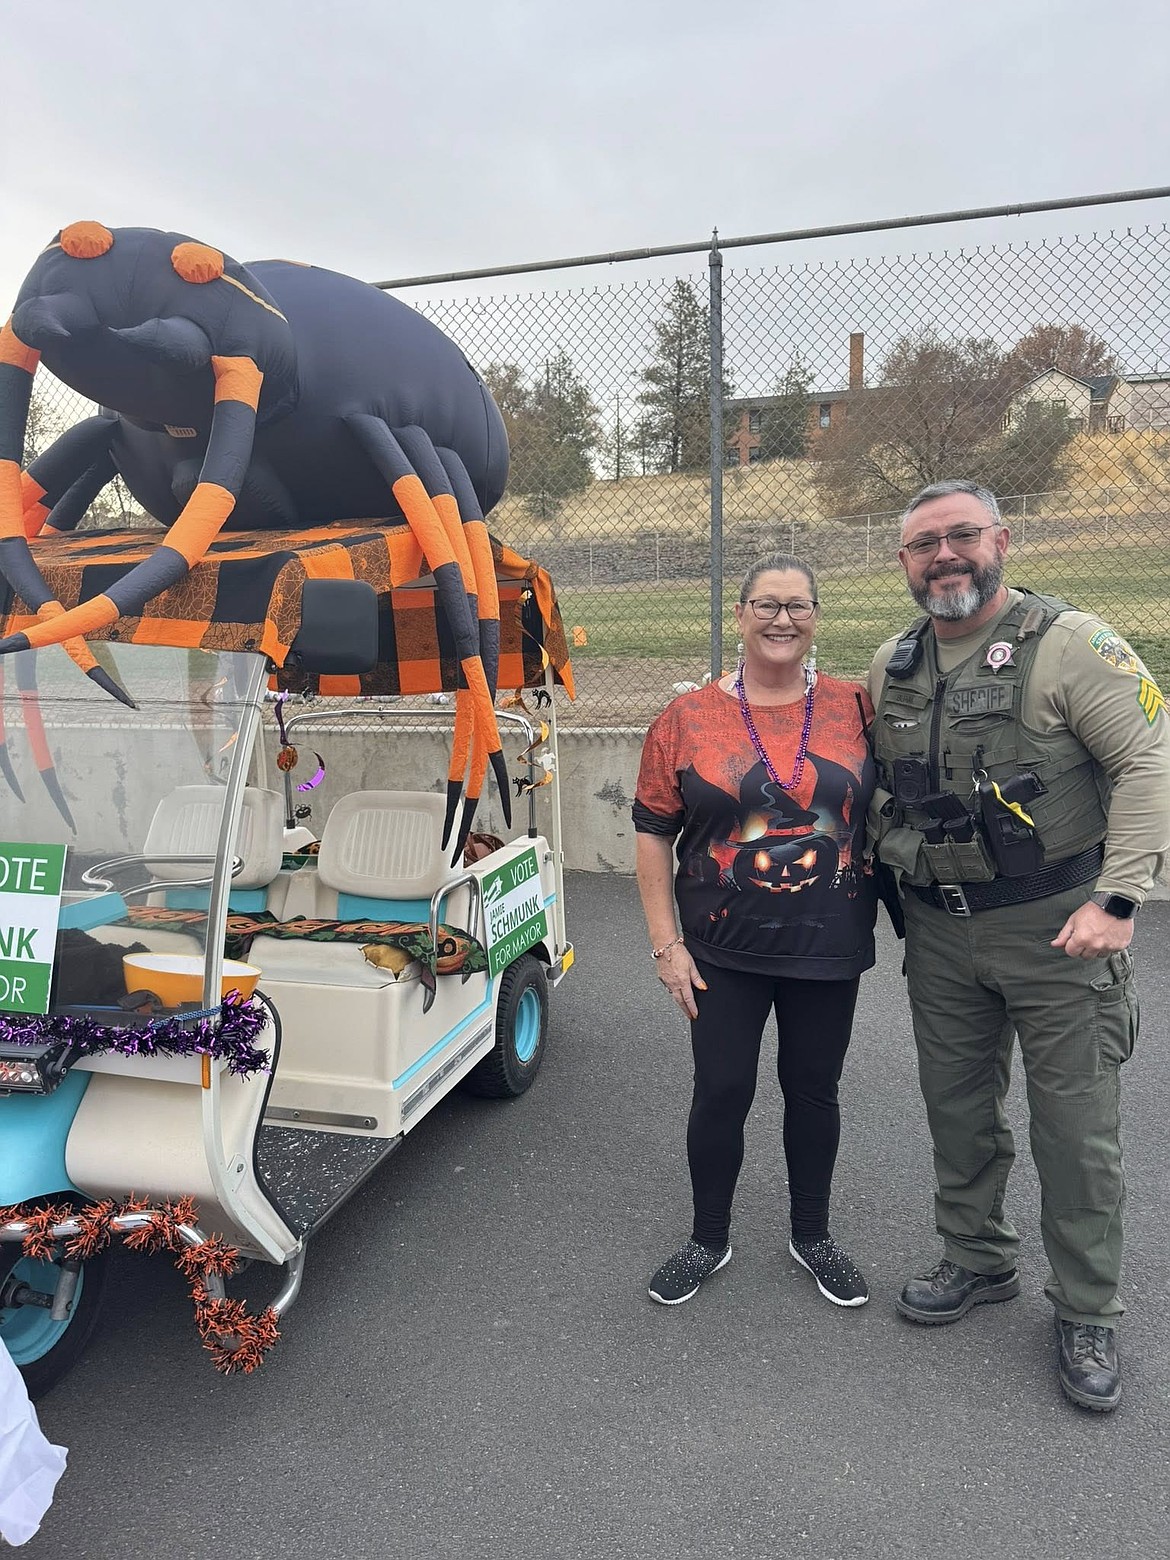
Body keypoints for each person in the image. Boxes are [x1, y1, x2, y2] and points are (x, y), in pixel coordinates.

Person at [869, 477, 1170, 1413]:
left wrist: (1121, 899)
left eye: (962, 536)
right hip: (943, 932)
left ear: (1003, 538)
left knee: (1076, 1134)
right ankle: (977, 1256)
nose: (945, 557)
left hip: (1060, 932)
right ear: (906, 563)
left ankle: (1087, 1307)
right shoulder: (894, 662)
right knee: (957, 1109)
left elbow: (1151, 759)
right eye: (925, 544)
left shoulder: (1074, 647)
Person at [633, 552, 878, 1310]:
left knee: (813, 1091)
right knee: (722, 1090)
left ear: (815, 618)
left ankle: (814, 1235)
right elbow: (650, 835)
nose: (782, 619)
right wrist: (666, 947)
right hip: (719, 951)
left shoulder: (858, 707)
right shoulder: (685, 719)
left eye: (798, 605)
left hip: (826, 946)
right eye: (766, 605)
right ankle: (710, 1237)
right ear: (738, 615)